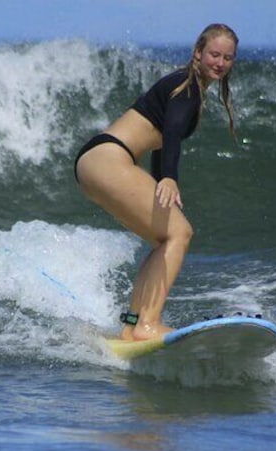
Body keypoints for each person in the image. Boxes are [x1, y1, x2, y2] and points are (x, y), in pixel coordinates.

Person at [74, 23, 239, 341]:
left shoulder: (186, 86)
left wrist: (158, 178)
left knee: (165, 239)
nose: (220, 62)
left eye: (228, 58)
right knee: (181, 233)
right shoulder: (187, 86)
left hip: (96, 161)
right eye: (214, 54)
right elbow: (173, 131)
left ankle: (132, 323)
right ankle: (148, 324)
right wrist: (168, 178)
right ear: (198, 53)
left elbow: (161, 140)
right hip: (109, 158)